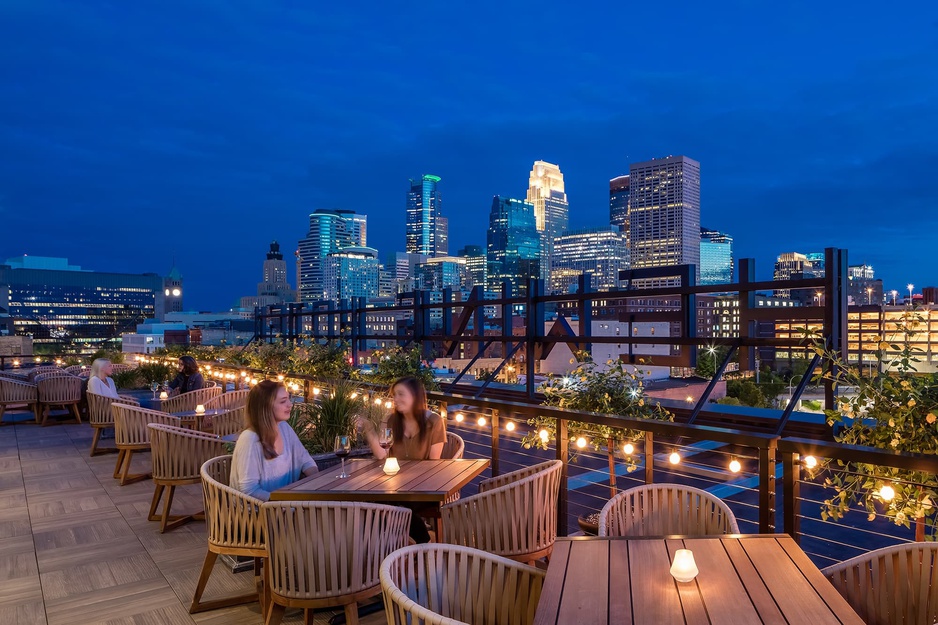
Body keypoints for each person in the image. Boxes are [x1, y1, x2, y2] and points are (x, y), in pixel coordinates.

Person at [362, 376, 446, 542]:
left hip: (424, 486)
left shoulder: (434, 421)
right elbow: (382, 455)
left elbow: (434, 465)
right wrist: (369, 430)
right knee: (374, 502)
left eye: (401, 394)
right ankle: (418, 542)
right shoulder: (391, 420)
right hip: (395, 485)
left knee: (387, 507)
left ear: (415, 397)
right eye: (394, 395)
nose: (396, 399)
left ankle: (419, 542)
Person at [230, 380, 318, 501]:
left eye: (288, 399)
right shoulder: (250, 440)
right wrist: (283, 504)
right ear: (265, 407)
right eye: (283, 401)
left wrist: (318, 483)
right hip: (257, 513)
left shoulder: (284, 428)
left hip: (284, 506)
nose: (290, 404)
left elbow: (305, 460)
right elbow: (249, 490)